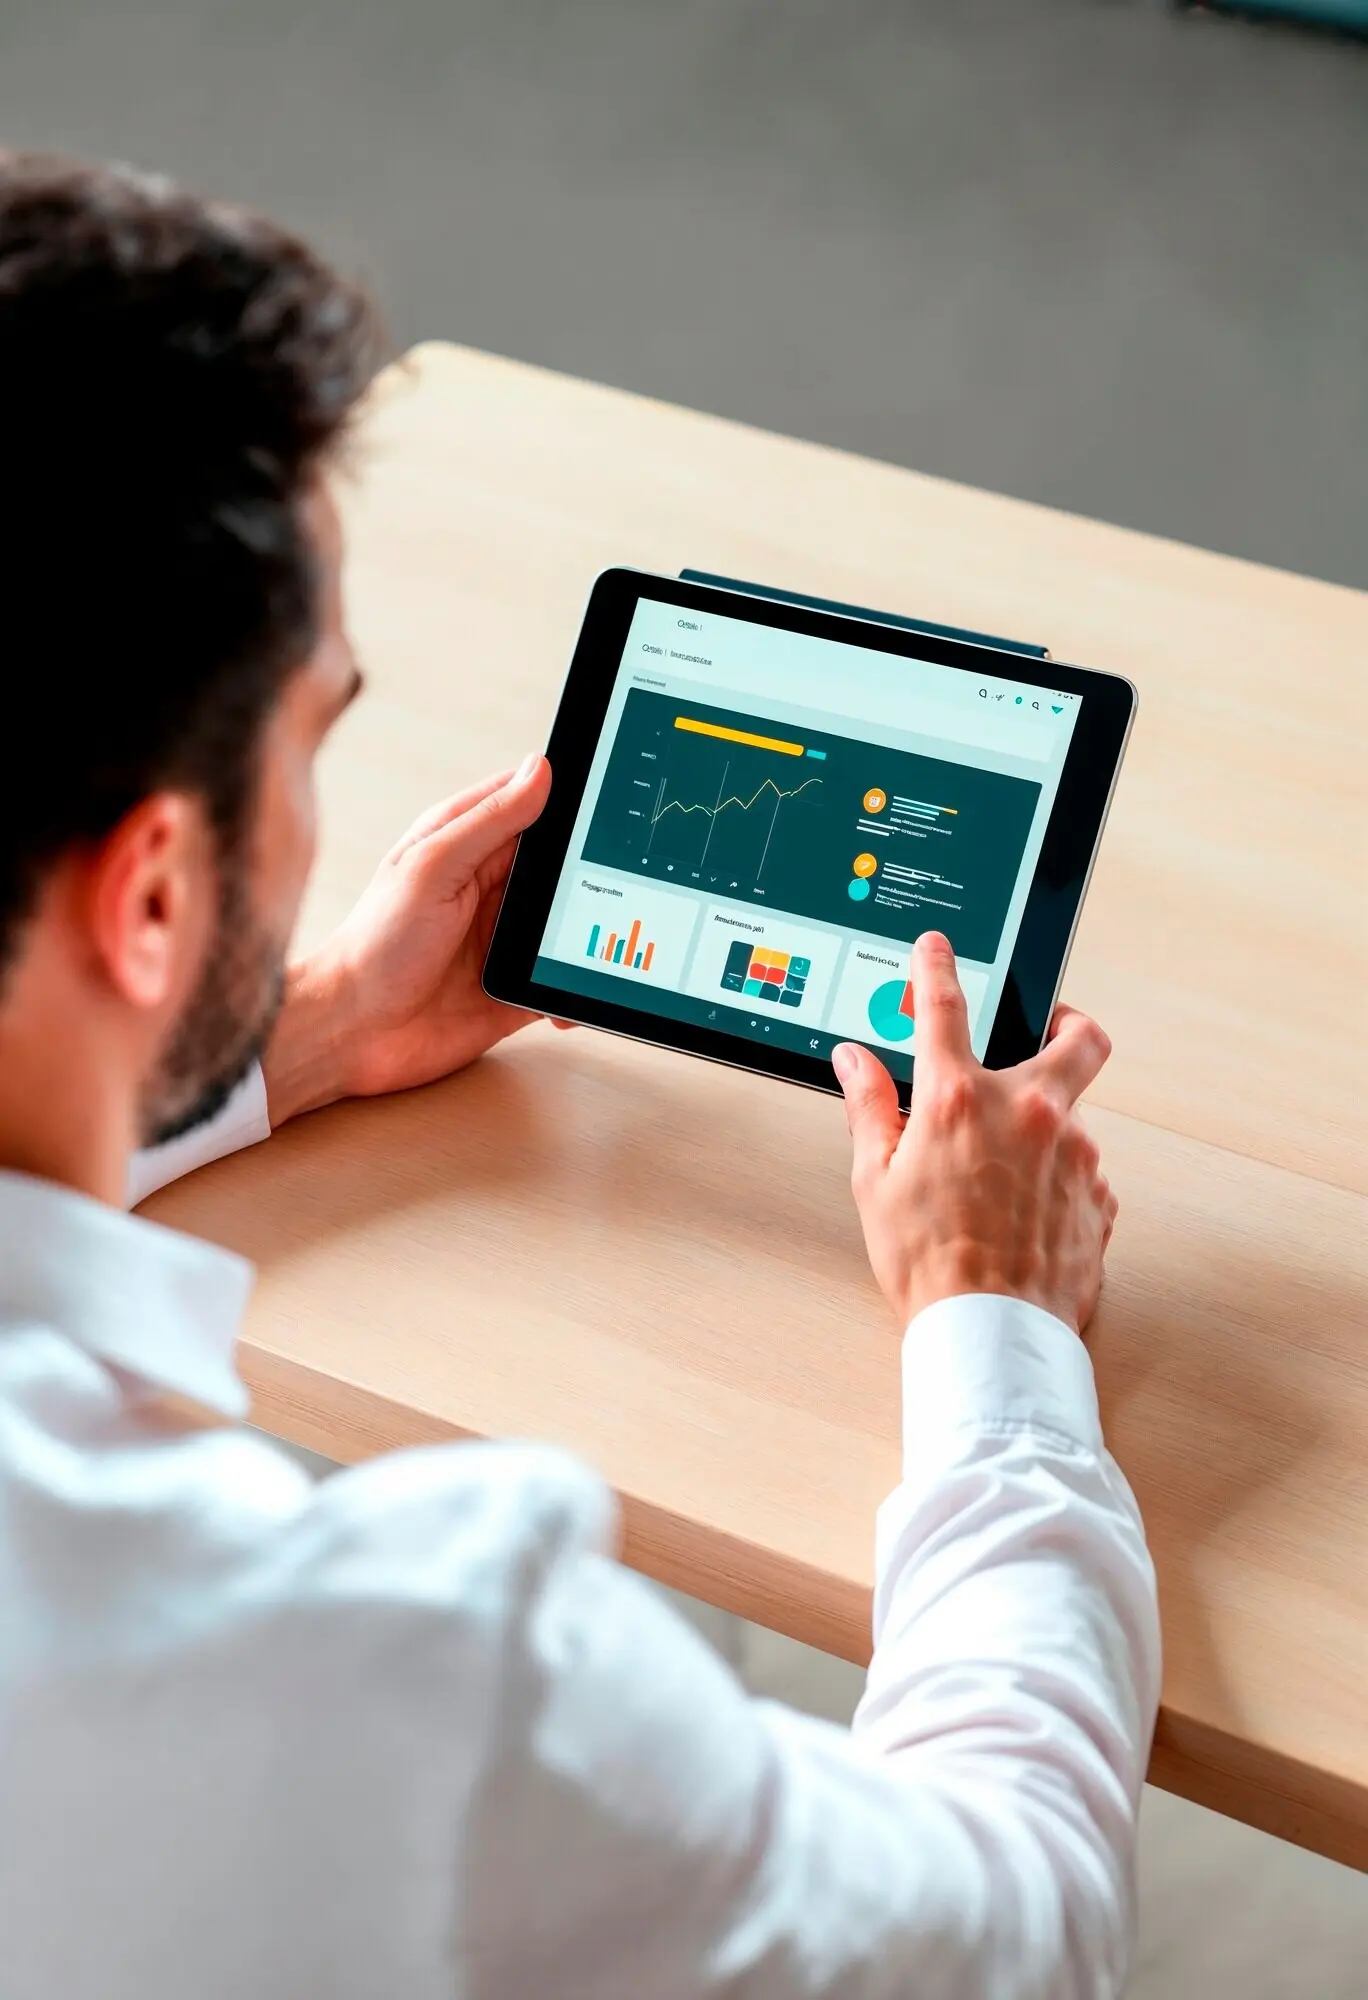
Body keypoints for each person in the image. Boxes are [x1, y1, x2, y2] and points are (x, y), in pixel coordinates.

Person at [0, 154, 1159, 1999]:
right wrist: (996, 1327)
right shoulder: (385, 1665)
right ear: (149, 888)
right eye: (317, 738)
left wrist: (297, 1037)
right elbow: (1013, 1932)